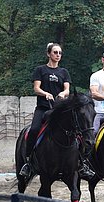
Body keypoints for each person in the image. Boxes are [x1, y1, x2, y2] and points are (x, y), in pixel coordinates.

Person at [20, 43, 71, 177]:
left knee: (73, 131)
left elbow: (67, 89)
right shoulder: (40, 70)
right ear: (48, 54)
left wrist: (63, 94)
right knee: (34, 129)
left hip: (58, 110)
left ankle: (80, 163)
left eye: (60, 53)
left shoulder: (64, 72)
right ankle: (28, 162)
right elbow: (36, 88)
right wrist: (45, 93)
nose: (58, 55)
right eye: (55, 52)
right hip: (43, 108)